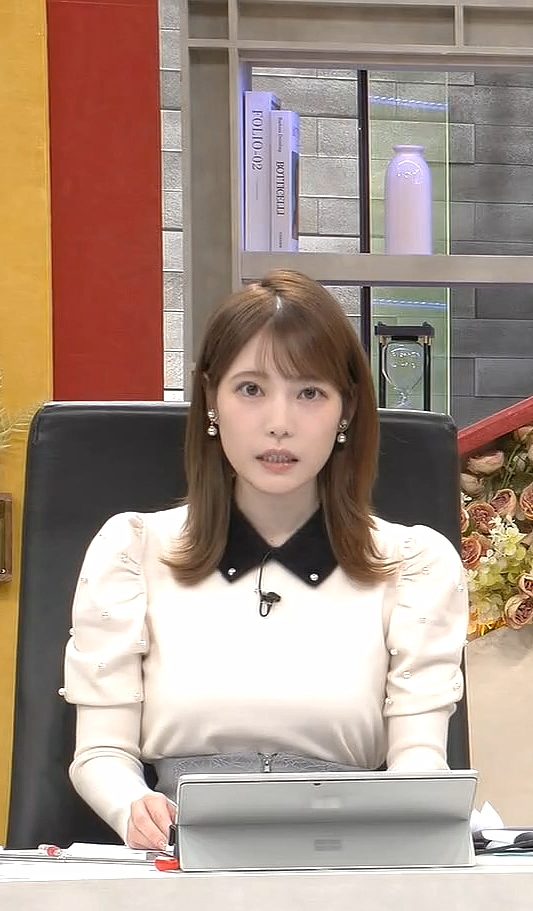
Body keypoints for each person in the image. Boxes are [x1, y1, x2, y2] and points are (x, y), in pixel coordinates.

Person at [64, 270, 467, 849]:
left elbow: (419, 761)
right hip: (179, 860)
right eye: (251, 389)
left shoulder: (414, 565)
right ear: (212, 399)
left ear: (347, 409)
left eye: (310, 393)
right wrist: (133, 806)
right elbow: (100, 752)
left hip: (347, 856)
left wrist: (406, 826)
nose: (280, 423)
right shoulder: (132, 551)